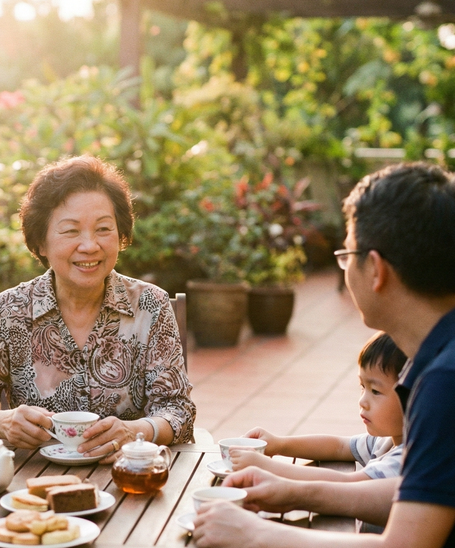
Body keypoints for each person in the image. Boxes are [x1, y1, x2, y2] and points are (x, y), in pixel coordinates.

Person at [192, 162, 455, 548]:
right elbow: (416, 492)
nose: (344, 267)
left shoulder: (444, 382)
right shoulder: (435, 359)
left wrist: (254, 533)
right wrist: (294, 490)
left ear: (376, 270)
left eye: (347, 255)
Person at [0, 155, 196, 462]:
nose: (89, 245)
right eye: (71, 231)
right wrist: (1, 423)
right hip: (32, 488)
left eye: (103, 228)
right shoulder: (9, 311)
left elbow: (178, 411)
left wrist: (134, 431)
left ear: (121, 235)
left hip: (127, 477)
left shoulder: (150, 306)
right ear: (41, 243)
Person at [230, 332, 405, 534]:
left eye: (375, 391)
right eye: (362, 387)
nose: (362, 401)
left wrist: (268, 466)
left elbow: (345, 485)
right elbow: (340, 446)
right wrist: (278, 444)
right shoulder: (385, 440)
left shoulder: (403, 461)